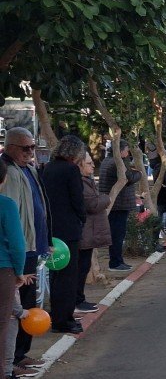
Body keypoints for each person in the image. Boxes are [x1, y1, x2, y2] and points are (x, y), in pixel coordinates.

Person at [0, 127, 49, 372]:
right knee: (16, 311)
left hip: (33, 248)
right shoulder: (8, 172)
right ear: (9, 147)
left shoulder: (28, 169)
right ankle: (11, 364)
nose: (31, 152)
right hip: (19, 253)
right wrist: (17, 262)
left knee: (29, 305)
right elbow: (11, 221)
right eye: (25, 148)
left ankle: (21, 354)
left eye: (32, 147)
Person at [41, 135, 87, 334]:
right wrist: (81, 219)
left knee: (55, 274)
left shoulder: (47, 168)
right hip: (68, 230)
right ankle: (64, 320)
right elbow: (78, 200)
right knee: (69, 276)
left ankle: (57, 316)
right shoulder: (71, 170)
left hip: (50, 229)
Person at [0, 158, 28, 379]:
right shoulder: (6, 205)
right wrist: (19, 271)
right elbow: (18, 244)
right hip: (3, 271)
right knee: (2, 327)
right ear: (4, 179)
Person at [98, 139, 142, 272]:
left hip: (115, 203)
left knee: (117, 234)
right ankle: (115, 262)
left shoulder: (107, 161)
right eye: (127, 150)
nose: (128, 153)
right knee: (117, 234)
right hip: (118, 204)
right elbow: (130, 178)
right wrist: (139, 173)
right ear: (120, 150)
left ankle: (118, 260)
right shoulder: (116, 163)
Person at [76, 152, 111, 315]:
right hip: (85, 231)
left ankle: (79, 299)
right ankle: (77, 300)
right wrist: (106, 199)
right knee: (80, 267)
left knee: (84, 267)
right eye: (89, 163)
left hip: (90, 231)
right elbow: (93, 203)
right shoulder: (80, 182)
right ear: (80, 164)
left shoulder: (87, 181)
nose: (93, 166)